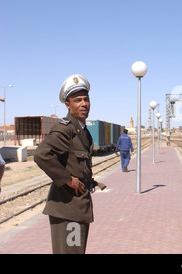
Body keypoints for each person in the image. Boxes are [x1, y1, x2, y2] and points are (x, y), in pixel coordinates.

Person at [34, 74, 105, 254]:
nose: (83, 104)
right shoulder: (65, 128)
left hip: (76, 208)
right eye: (77, 100)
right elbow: (42, 155)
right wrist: (67, 180)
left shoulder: (81, 131)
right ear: (68, 105)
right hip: (67, 210)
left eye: (86, 99)